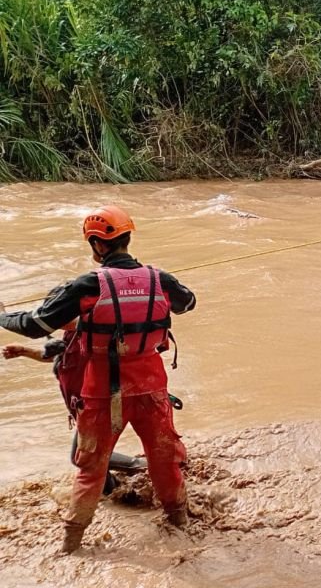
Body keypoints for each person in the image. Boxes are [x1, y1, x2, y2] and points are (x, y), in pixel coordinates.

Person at [0, 206, 196, 553]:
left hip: (103, 391)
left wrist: (3, 316)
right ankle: (180, 524)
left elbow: (35, 326)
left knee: (90, 468)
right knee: (163, 459)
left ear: (96, 244)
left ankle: (71, 545)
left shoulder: (87, 285)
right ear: (127, 238)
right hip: (152, 387)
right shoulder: (159, 279)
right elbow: (188, 303)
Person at [2, 326, 147, 495]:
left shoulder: (90, 329)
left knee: (84, 457)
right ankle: (128, 481)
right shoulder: (74, 332)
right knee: (89, 455)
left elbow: (32, 323)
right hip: (86, 408)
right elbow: (63, 356)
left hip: (97, 406)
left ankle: (127, 487)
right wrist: (24, 351)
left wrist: (5, 318)